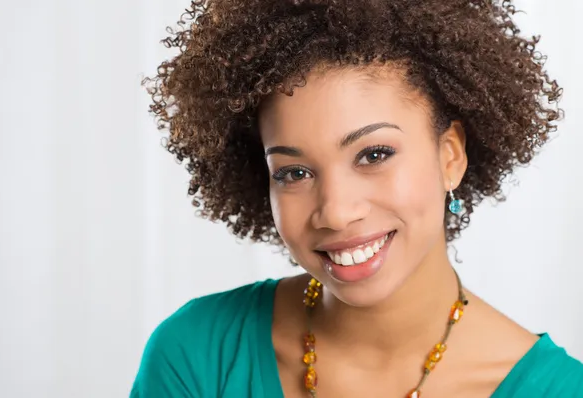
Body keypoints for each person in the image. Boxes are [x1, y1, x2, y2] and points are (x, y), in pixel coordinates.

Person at [130, 0, 583, 396]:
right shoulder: (197, 355)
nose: (336, 211)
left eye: (374, 154)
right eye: (294, 172)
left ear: (450, 156)